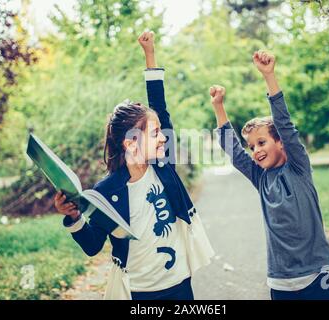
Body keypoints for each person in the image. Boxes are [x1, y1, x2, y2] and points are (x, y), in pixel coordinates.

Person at [54, 31, 214, 300]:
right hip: (140, 292)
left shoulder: (163, 165)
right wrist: (73, 217)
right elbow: (93, 245)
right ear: (130, 143)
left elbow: (160, 108)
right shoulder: (108, 190)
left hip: (180, 284)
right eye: (154, 134)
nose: (163, 137)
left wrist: (150, 56)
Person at [209, 50, 329, 300]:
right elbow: (234, 152)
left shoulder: (298, 167)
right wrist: (219, 107)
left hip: (321, 273)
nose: (256, 151)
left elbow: (284, 123)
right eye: (252, 147)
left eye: (262, 142)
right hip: (281, 283)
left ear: (281, 143)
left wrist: (269, 76)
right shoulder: (260, 178)